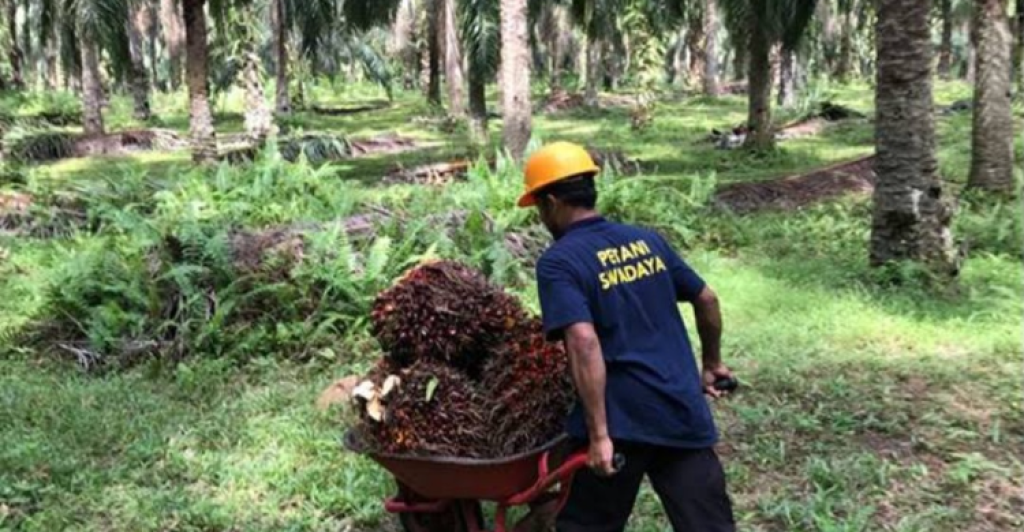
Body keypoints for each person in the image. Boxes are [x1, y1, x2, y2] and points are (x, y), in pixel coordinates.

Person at [519, 141, 737, 532]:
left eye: (538, 207)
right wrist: (712, 364)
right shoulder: (646, 240)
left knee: (587, 526)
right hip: (680, 406)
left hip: (623, 422)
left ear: (550, 202)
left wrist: (599, 436)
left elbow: (584, 342)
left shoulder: (559, 261)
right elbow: (706, 298)